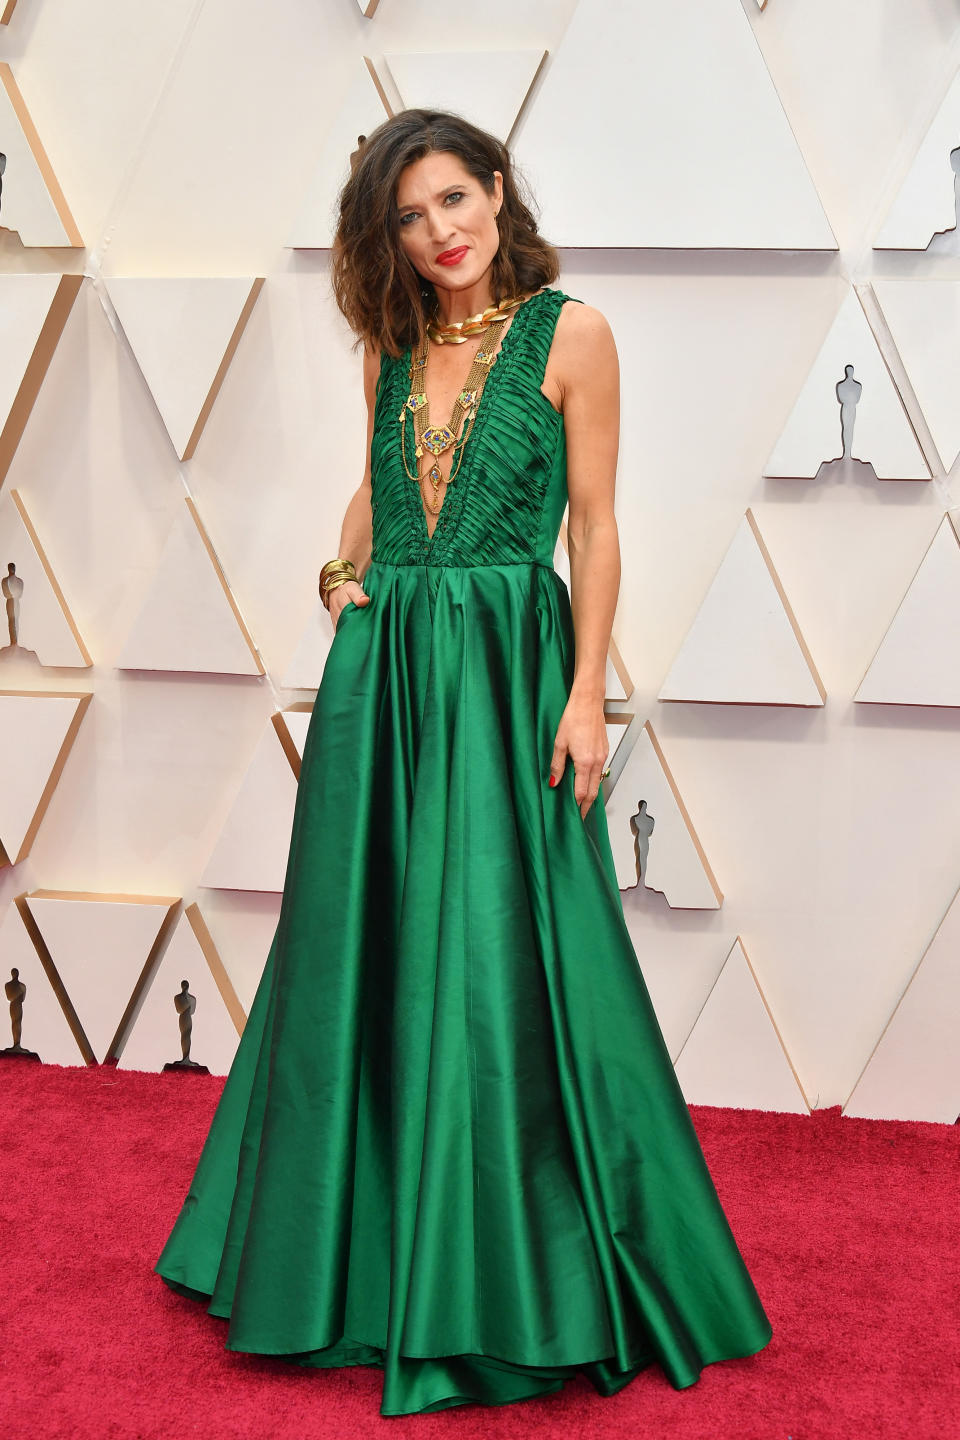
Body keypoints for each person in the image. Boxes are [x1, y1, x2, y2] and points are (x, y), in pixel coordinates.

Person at [155, 108, 773, 1417]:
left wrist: (588, 696)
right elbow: (374, 493)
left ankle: (523, 1269)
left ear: (498, 189)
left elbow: (596, 531)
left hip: (507, 671)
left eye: (455, 199)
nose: (440, 232)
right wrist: (341, 577)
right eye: (409, 216)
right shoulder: (391, 348)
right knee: (360, 940)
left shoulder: (573, 335)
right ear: (387, 239)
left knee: (503, 944)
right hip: (386, 678)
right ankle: (361, 1258)